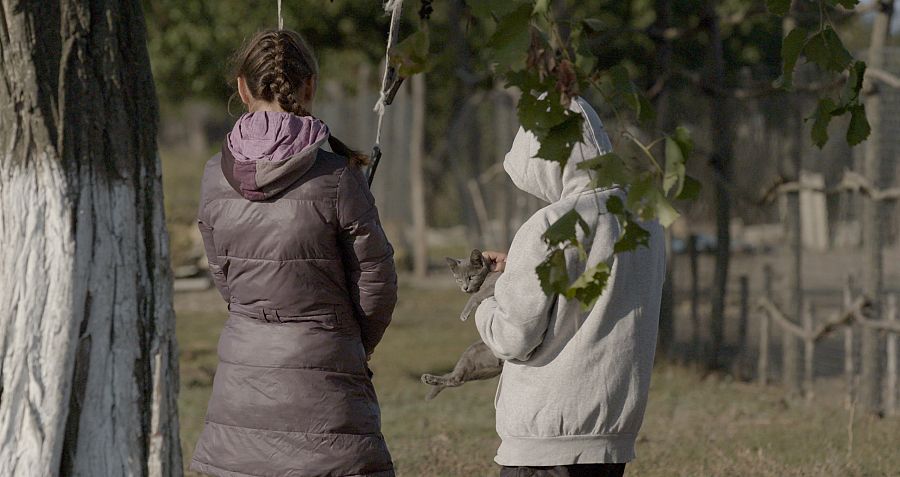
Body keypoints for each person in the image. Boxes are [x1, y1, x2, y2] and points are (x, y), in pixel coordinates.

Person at [189, 29, 398, 477]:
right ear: (310, 87)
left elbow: (224, 279)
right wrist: (347, 342)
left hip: (241, 383)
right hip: (328, 386)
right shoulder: (339, 177)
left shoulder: (212, 176)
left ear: (242, 88)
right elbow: (376, 284)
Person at [476, 97, 666, 477]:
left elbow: (514, 337)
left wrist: (488, 297)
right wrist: (517, 272)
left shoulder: (550, 224)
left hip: (545, 441)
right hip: (611, 437)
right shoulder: (646, 222)